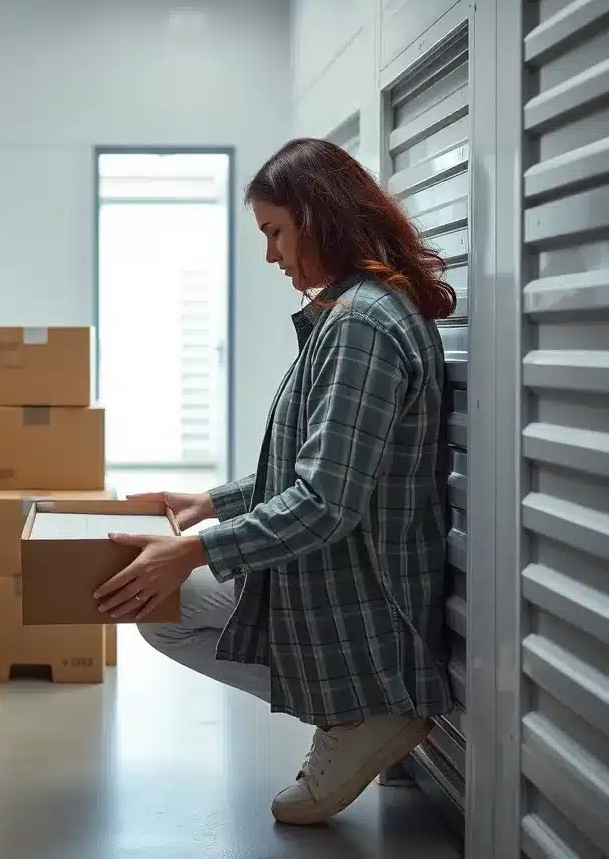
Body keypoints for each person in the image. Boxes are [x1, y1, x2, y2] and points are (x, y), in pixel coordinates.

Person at [94, 137, 455, 827]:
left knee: (162, 600)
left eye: (275, 233)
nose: (271, 256)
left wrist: (197, 550)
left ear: (319, 217)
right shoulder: (356, 312)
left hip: (362, 592)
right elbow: (313, 464)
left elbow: (323, 502)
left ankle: (364, 710)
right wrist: (209, 503)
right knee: (159, 608)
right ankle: (355, 713)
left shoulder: (362, 327)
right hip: (343, 574)